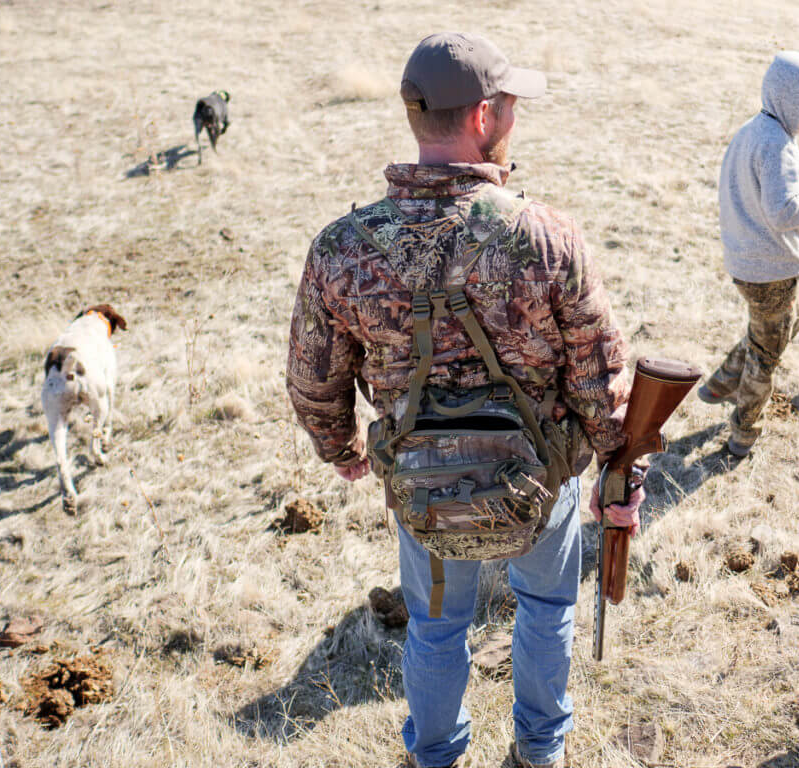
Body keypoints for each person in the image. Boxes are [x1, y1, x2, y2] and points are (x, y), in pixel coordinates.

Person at [286, 32, 644, 768]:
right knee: (546, 613)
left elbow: (313, 378)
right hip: (542, 485)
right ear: (483, 117)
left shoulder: (342, 248)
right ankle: (541, 755)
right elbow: (600, 378)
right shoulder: (547, 237)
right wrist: (620, 468)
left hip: (423, 490)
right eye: (510, 103)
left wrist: (343, 450)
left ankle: (438, 758)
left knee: (437, 626)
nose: (515, 115)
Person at [700, 51, 799, 456]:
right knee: (768, 352)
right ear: (785, 97)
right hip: (770, 272)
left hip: (747, 262)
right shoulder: (777, 145)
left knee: (783, 326)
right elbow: (783, 211)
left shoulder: (753, 130)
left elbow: (760, 203)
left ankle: (721, 382)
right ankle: (744, 432)